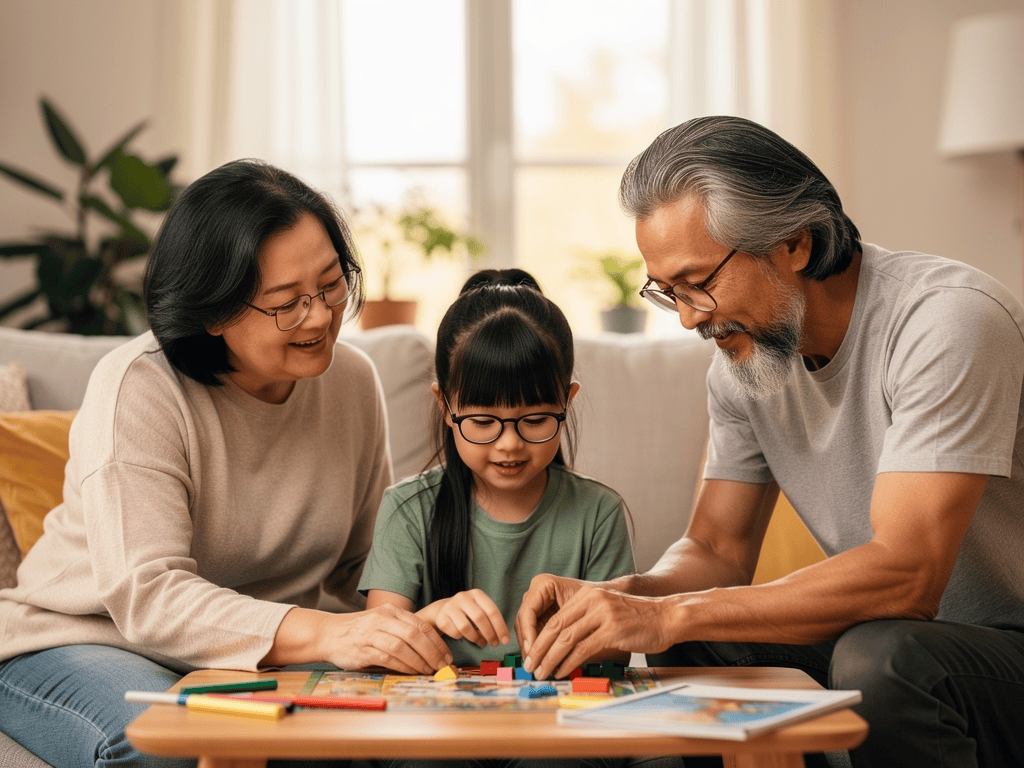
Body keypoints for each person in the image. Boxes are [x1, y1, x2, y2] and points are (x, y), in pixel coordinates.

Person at [515, 116, 1024, 768]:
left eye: (699, 282)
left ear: (796, 244)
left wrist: (671, 614)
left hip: (997, 646)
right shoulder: (744, 364)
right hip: (894, 635)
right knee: (695, 643)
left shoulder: (946, 321)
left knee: (882, 657)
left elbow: (909, 576)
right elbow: (716, 548)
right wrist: (624, 600)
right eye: (669, 292)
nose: (691, 317)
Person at [0, 158, 451, 768]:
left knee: (404, 733)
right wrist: (324, 633)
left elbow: (363, 567)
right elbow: (148, 595)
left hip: (261, 652)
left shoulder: (350, 381)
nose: (320, 315)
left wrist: (439, 609)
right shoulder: (141, 387)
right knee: (167, 748)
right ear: (213, 313)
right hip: (82, 640)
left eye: (330, 282)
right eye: (286, 302)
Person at [359, 269, 635, 670]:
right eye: (484, 422)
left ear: (566, 401)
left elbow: (617, 652)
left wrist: (576, 628)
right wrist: (429, 619)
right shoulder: (408, 509)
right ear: (445, 407)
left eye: (536, 419)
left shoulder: (599, 511)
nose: (509, 444)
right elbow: (373, 648)